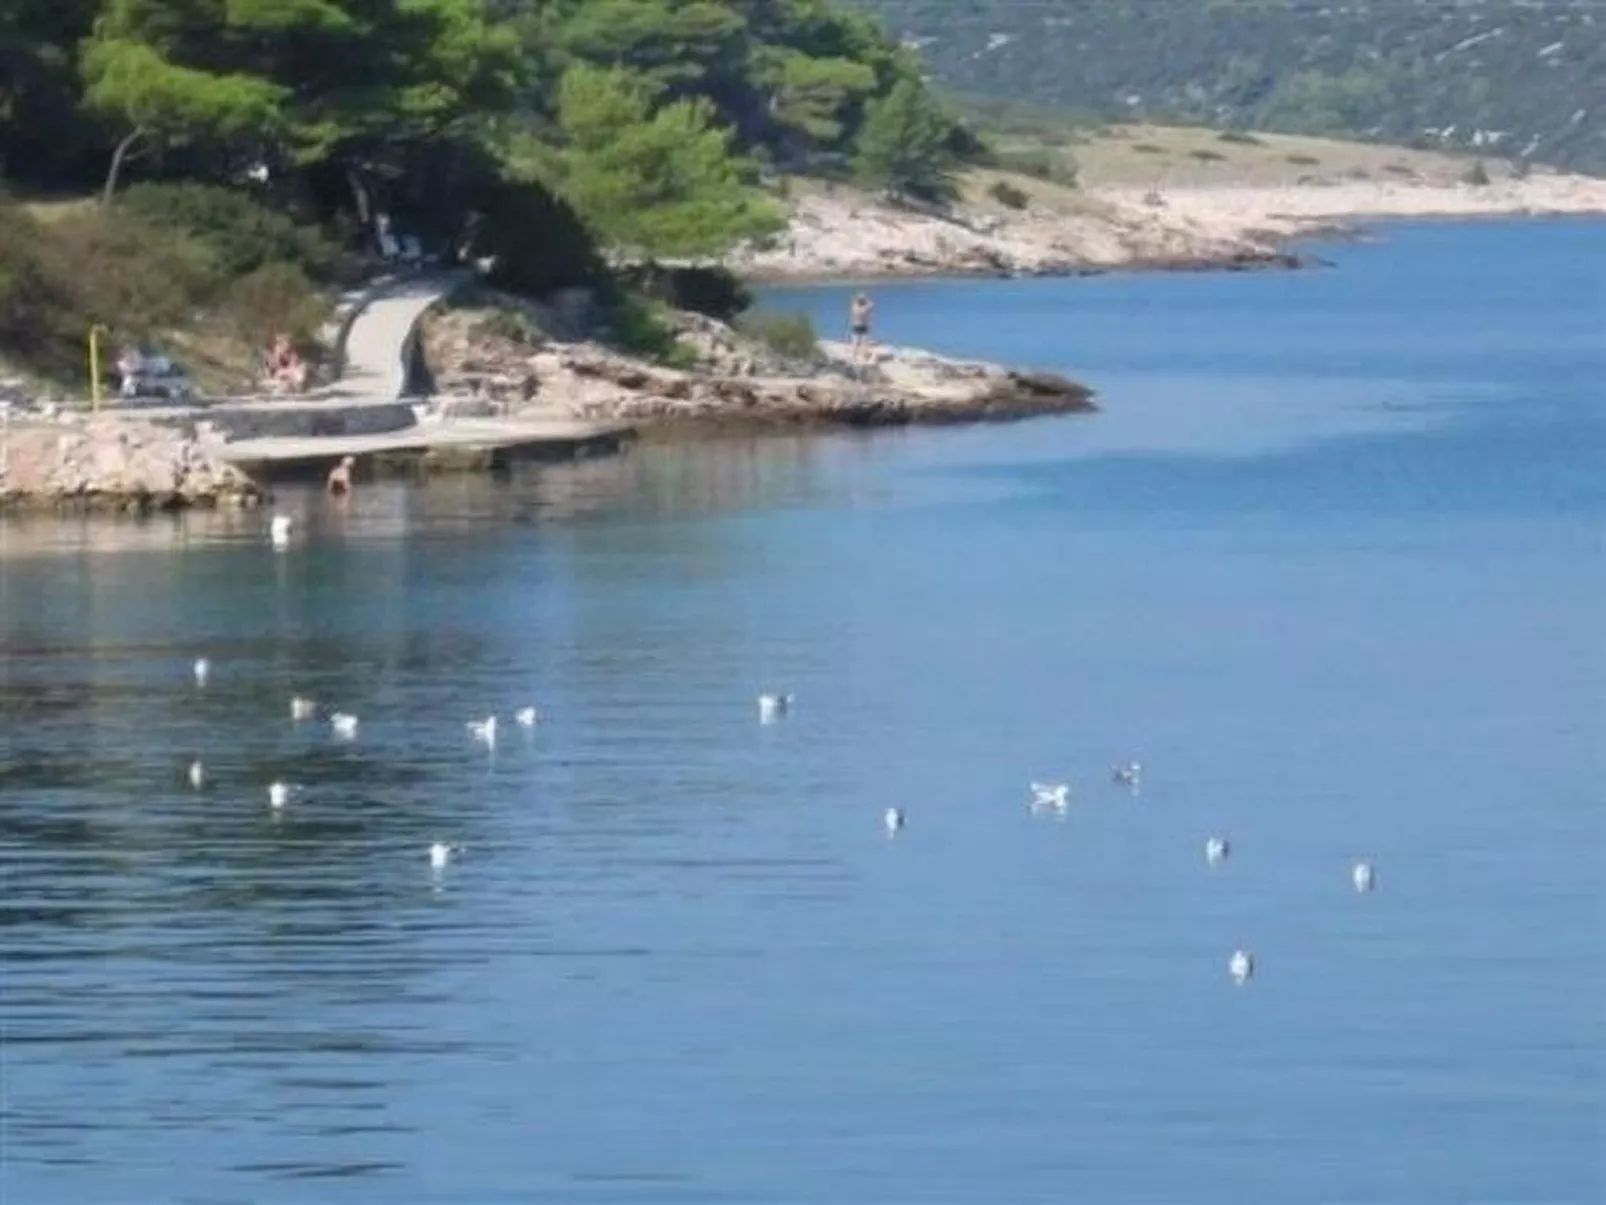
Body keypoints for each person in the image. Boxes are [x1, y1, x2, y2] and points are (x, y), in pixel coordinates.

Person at [849, 293, 874, 363]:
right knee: (863, 343)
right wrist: (866, 301)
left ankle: (854, 357)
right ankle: (862, 357)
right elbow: (871, 304)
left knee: (856, 342)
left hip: (856, 325)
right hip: (862, 326)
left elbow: (869, 305)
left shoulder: (854, 307)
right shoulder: (865, 308)